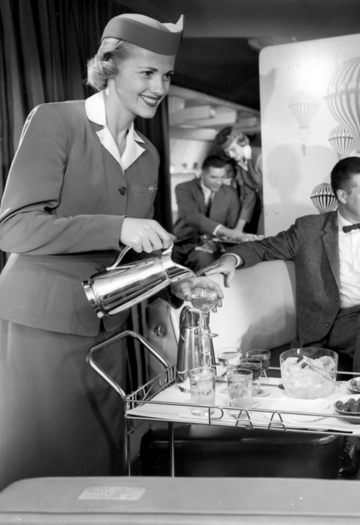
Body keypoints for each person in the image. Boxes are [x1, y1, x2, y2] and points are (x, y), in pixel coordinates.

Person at [0, 13, 222, 490]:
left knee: (102, 459)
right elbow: (14, 228)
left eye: (166, 75)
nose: (159, 86)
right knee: (43, 468)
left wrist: (176, 278)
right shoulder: (56, 122)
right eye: (146, 73)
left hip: (109, 330)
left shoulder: (148, 152)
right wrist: (118, 226)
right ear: (108, 66)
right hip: (45, 327)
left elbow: (133, 254)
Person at [202, 156, 360, 478]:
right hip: (333, 325)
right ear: (343, 196)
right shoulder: (308, 229)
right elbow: (265, 248)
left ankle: (359, 435)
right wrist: (231, 258)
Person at [173, 155, 262, 272]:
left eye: (222, 177)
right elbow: (191, 217)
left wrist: (216, 244)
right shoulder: (184, 188)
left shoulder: (230, 193)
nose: (219, 182)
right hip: (184, 244)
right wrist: (229, 232)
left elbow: (231, 225)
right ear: (202, 174)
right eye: (214, 177)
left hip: (212, 246)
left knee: (203, 258)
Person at [215, 128, 263, 234]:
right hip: (265, 210)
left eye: (233, 149)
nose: (231, 155)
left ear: (242, 142)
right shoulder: (241, 164)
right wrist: (238, 229)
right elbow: (249, 198)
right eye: (227, 153)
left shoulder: (260, 158)